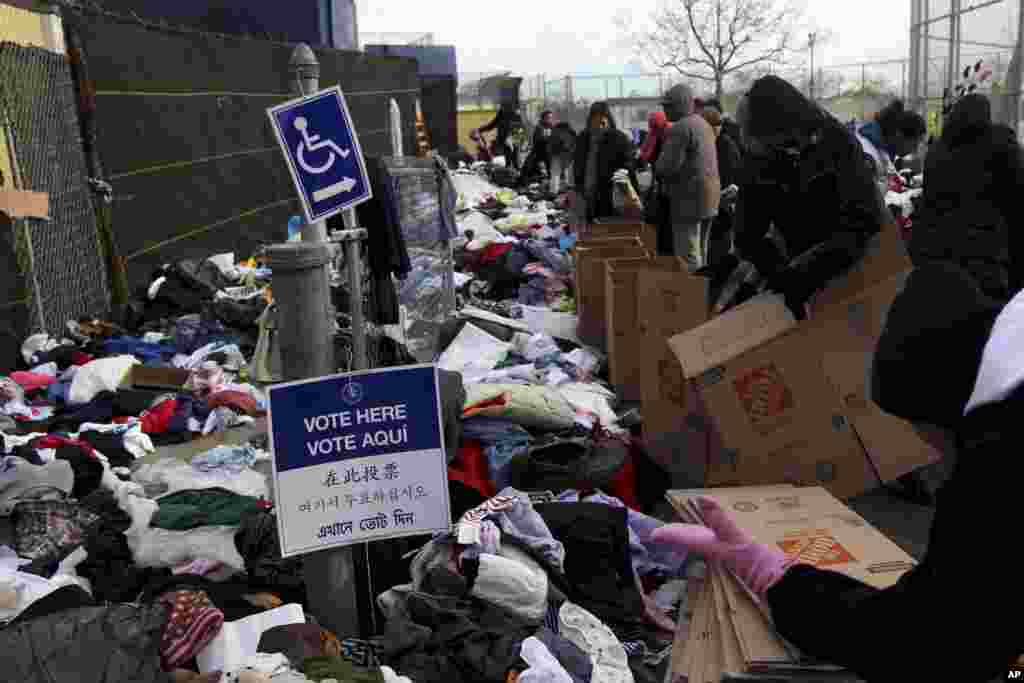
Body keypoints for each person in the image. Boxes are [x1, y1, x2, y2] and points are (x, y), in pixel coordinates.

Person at [650, 261, 1024, 682]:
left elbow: (933, 640)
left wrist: (772, 577)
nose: (933, 459)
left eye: (925, 437)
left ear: (948, 412)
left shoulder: (1003, 455)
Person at [724, 75, 884, 320]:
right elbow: (748, 234)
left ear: (784, 126)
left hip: (845, 273)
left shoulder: (836, 143)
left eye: (763, 140)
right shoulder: (763, 154)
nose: (758, 146)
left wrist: (807, 272)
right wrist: (777, 271)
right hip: (793, 262)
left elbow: (865, 220)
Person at [909, 92, 1024, 304]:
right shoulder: (1001, 145)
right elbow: (1016, 200)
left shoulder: (937, 150)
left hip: (932, 253)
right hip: (984, 258)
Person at [656, 84, 720, 270]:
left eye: (668, 106)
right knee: (702, 252)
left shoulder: (680, 128)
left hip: (688, 199)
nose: (665, 110)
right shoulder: (703, 124)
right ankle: (704, 286)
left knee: (687, 256)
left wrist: (657, 167)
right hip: (711, 196)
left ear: (679, 105)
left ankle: (691, 288)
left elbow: (667, 167)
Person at [572, 101, 636, 222]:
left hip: (609, 195)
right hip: (586, 192)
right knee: (588, 224)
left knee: (607, 225)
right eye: (595, 123)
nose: (599, 127)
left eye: (602, 123)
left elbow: (628, 167)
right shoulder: (583, 138)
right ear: (590, 121)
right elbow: (578, 164)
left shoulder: (618, 139)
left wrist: (629, 194)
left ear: (609, 121)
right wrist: (578, 187)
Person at [701, 106, 743, 275]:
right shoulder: (710, 145)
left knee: (717, 259)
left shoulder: (725, 146)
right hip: (711, 211)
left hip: (721, 213)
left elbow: (726, 180)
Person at [856, 100, 927, 193]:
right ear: (899, 135)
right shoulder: (869, 154)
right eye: (914, 144)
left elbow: (887, 178)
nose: (915, 150)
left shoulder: (882, 147)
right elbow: (868, 195)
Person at [638, 111, 673, 255]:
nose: (655, 130)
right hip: (659, 187)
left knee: (665, 226)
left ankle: (664, 254)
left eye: (656, 127)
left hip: (668, 189)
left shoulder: (670, 134)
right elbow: (645, 155)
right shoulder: (654, 135)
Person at [472, 100, 524, 169]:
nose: (502, 108)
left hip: (512, 140)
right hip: (505, 140)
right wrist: (479, 129)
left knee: (513, 159)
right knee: (509, 159)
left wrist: (514, 138)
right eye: (502, 107)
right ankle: (511, 169)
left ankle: (514, 170)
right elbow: (491, 125)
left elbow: (519, 129)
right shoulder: (501, 115)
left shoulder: (515, 116)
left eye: (503, 106)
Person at [519, 110, 556, 185]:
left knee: (552, 166)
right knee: (528, 165)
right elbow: (537, 140)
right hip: (538, 151)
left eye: (550, 117)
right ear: (543, 118)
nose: (549, 119)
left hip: (548, 152)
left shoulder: (553, 127)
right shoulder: (539, 127)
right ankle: (525, 180)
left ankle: (552, 181)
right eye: (548, 117)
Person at [547, 121, 577, 196]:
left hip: (558, 154)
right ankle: (568, 190)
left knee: (556, 173)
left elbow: (550, 146)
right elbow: (574, 145)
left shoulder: (555, 132)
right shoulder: (571, 133)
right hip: (565, 155)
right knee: (567, 173)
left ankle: (554, 191)